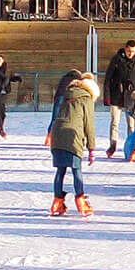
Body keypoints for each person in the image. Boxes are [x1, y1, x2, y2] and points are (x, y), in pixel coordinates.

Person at [47, 70, 99, 216]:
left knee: (61, 169)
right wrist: (91, 148)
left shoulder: (66, 94)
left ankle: (57, 203)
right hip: (72, 135)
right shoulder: (86, 98)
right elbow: (89, 124)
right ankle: (81, 202)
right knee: (76, 170)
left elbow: (56, 113)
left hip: (57, 133)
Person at [103, 41, 135, 157]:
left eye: (133, 51)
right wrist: (107, 97)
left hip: (131, 97)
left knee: (131, 124)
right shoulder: (116, 60)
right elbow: (108, 79)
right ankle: (113, 145)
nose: (130, 54)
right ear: (125, 49)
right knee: (114, 123)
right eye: (128, 51)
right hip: (116, 95)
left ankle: (130, 145)